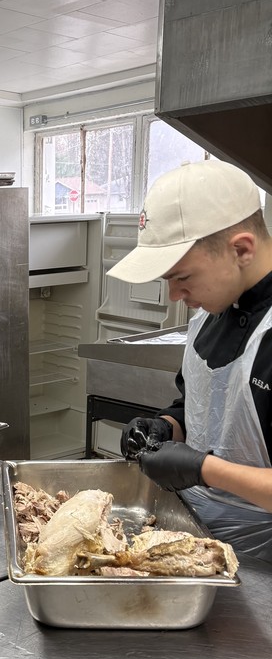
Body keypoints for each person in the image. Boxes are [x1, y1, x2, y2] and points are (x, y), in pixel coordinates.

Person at [107, 159, 270, 565]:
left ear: (242, 249)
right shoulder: (206, 317)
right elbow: (199, 406)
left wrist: (204, 468)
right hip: (198, 539)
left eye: (183, 277)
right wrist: (167, 425)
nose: (175, 295)